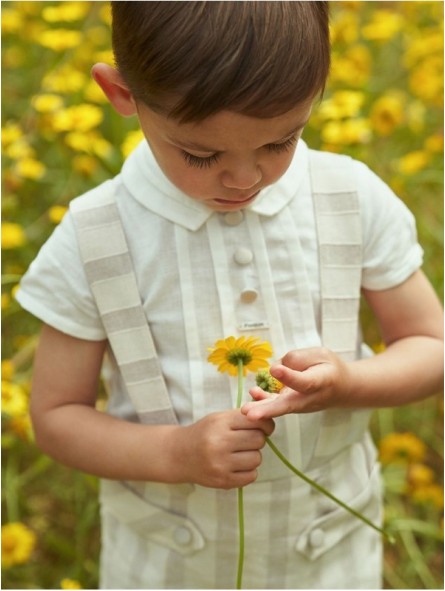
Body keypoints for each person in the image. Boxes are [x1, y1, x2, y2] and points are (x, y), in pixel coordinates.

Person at [16, 2, 443, 589]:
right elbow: (56, 416)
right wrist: (177, 454)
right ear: (121, 94)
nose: (244, 179)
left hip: (327, 558)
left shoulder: (349, 197)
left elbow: (429, 345)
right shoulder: (95, 237)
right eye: (201, 154)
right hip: (169, 567)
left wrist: (350, 382)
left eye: (281, 141)